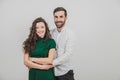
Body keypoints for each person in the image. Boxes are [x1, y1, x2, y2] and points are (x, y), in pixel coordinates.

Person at [51, 7, 75, 80]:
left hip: (65, 73)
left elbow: (68, 54)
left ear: (66, 17)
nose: (58, 20)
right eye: (56, 17)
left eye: (61, 17)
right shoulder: (50, 32)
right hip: (51, 72)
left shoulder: (70, 34)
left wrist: (51, 63)